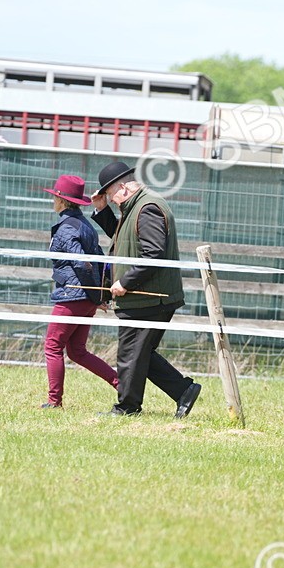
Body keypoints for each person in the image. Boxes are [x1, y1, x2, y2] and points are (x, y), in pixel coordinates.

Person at [89, 161, 201, 418]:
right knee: (140, 354)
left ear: (123, 188)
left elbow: (153, 255)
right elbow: (123, 238)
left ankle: (127, 407)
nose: (111, 200)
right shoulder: (136, 206)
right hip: (147, 297)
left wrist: (125, 282)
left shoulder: (147, 208)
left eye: (110, 194)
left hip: (149, 298)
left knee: (131, 354)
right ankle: (184, 390)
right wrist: (102, 210)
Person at [42, 174, 120, 408]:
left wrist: (96, 296)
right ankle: (121, 384)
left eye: (55, 197)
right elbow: (98, 260)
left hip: (73, 297)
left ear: (61, 201)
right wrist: (98, 295)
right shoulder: (84, 225)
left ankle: (54, 401)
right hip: (86, 297)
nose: (53, 201)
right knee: (77, 351)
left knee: (52, 346)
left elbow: (82, 264)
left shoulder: (67, 228)